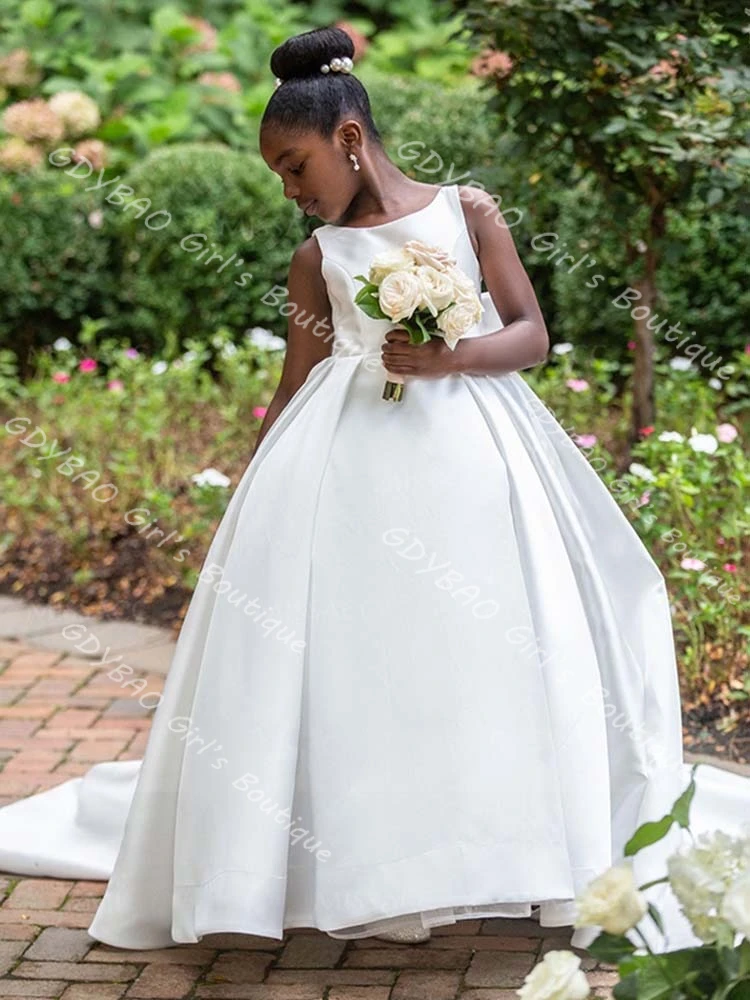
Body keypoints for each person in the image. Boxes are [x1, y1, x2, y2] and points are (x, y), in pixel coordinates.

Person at [0, 23, 747, 958]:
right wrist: (253, 483)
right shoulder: (317, 258)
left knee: (483, 645)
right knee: (369, 662)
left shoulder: (467, 212)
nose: (290, 189)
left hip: (474, 456)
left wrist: (451, 358)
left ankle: (503, 843)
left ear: (350, 139)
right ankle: (365, 854)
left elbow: (531, 335)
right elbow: (297, 377)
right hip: (344, 473)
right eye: (278, 173)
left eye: (295, 164)